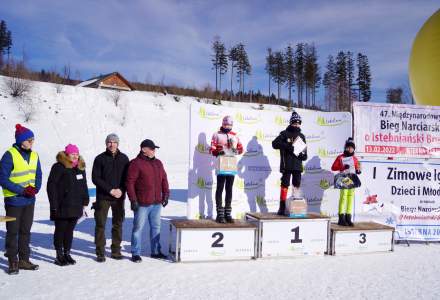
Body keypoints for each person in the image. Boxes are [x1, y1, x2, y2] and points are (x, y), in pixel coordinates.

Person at [0, 124, 42, 275]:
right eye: (29, 140)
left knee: (25, 231)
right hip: (14, 200)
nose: (32, 142)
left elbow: (38, 175)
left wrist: (35, 189)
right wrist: (22, 191)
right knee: (12, 231)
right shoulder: (9, 155)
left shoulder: (35, 155)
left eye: (33, 139)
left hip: (29, 201)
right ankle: (12, 260)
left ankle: (24, 259)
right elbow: (3, 179)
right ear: (21, 140)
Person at [126, 139, 169, 263]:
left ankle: (155, 251)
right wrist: (133, 200)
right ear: (144, 149)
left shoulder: (158, 163)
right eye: (152, 148)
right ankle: (135, 253)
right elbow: (130, 183)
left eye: (154, 149)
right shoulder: (135, 163)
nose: (154, 150)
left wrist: (165, 195)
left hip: (156, 203)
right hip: (142, 204)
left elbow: (164, 180)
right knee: (138, 228)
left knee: (156, 227)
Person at [47, 144, 90, 266]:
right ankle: (59, 255)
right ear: (67, 155)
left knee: (70, 231)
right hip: (62, 205)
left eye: (77, 154)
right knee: (60, 230)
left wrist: (85, 200)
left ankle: (67, 253)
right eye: (72, 154)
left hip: (76, 205)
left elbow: (84, 185)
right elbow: (51, 186)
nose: (75, 156)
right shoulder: (59, 167)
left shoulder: (80, 168)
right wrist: (54, 205)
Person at [92, 133, 129, 262]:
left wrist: (121, 190)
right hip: (103, 197)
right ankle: (100, 252)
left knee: (118, 224)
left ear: (118, 144)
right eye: (109, 142)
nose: (112, 144)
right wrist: (110, 190)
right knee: (100, 224)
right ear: (106, 144)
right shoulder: (99, 159)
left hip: (119, 197)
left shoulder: (124, 158)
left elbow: (127, 178)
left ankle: (116, 250)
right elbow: (95, 178)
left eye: (114, 142)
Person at [272, 110, 307, 215]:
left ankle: (295, 207)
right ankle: (281, 207)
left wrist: (301, 154)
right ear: (291, 123)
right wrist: (288, 146)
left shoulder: (302, 136)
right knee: (285, 185)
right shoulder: (284, 133)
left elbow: (305, 155)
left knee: (296, 185)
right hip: (286, 165)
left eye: (298, 123)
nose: (296, 125)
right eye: (294, 123)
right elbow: (274, 144)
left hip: (297, 166)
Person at [209, 116, 243, 223]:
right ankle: (220, 214)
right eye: (225, 124)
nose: (227, 126)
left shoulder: (235, 135)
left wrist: (235, 150)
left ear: (232, 125)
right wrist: (218, 152)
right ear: (222, 124)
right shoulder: (216, 134)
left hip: (231, 163)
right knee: (220, 188)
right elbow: (212, 149)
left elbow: (241, 149)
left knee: (229, 188)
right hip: (221, 163)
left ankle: (228, 213)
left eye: (229, 125)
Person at [331, 138, 361, 226]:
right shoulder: (341, 157)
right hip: (344, 178)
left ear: (354, 149)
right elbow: (333, 167)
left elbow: (358, 168)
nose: (350, 149)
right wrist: (343, 167)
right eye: (348, 147)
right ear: (345, 148)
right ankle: (341, 218)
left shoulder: (355, 158)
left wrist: (358, 170)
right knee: (343, 197)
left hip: (352, 177)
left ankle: (348, 218)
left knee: (350, 198)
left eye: (352, 148)